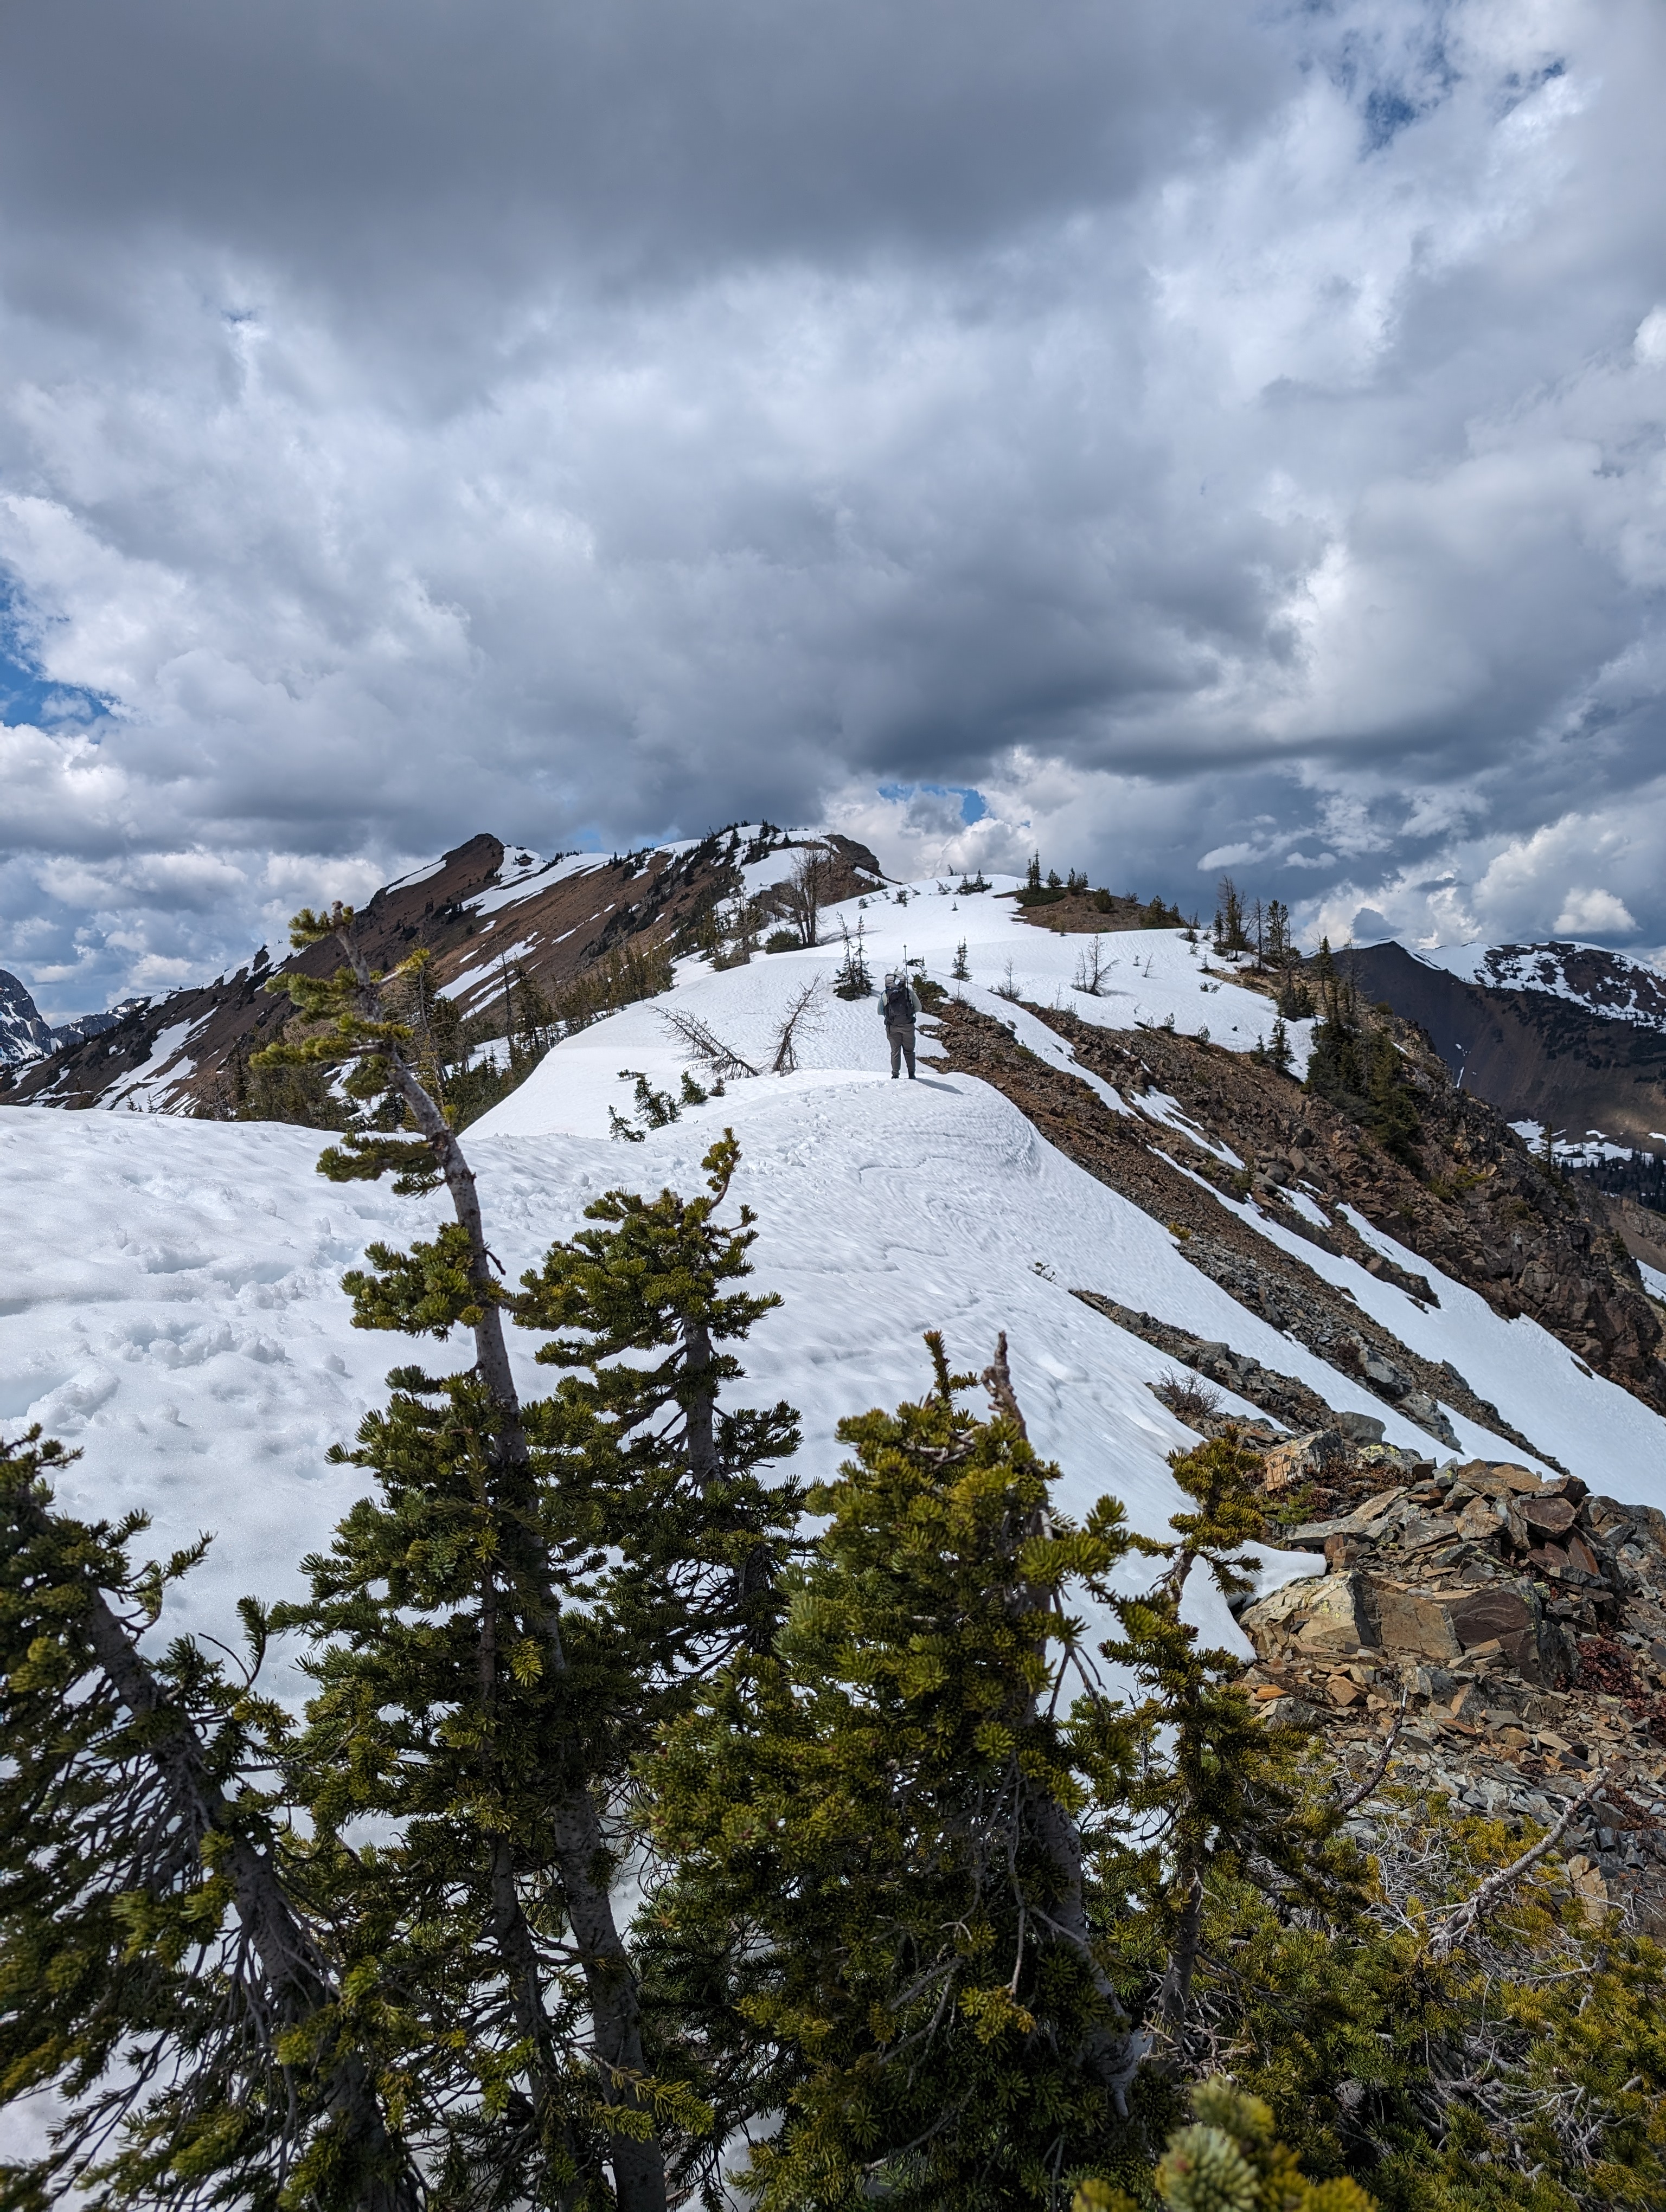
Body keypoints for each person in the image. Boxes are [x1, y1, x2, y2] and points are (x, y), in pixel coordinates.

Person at [880, 968, 918, 1079]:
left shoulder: (886, 994)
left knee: (895, 1051)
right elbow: (918, 1007)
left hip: (892, 1027)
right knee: (909, 1051)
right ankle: (912, 1074)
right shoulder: (908, 992)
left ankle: (895, 1074)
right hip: (908, 1026)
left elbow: (880, 1011)